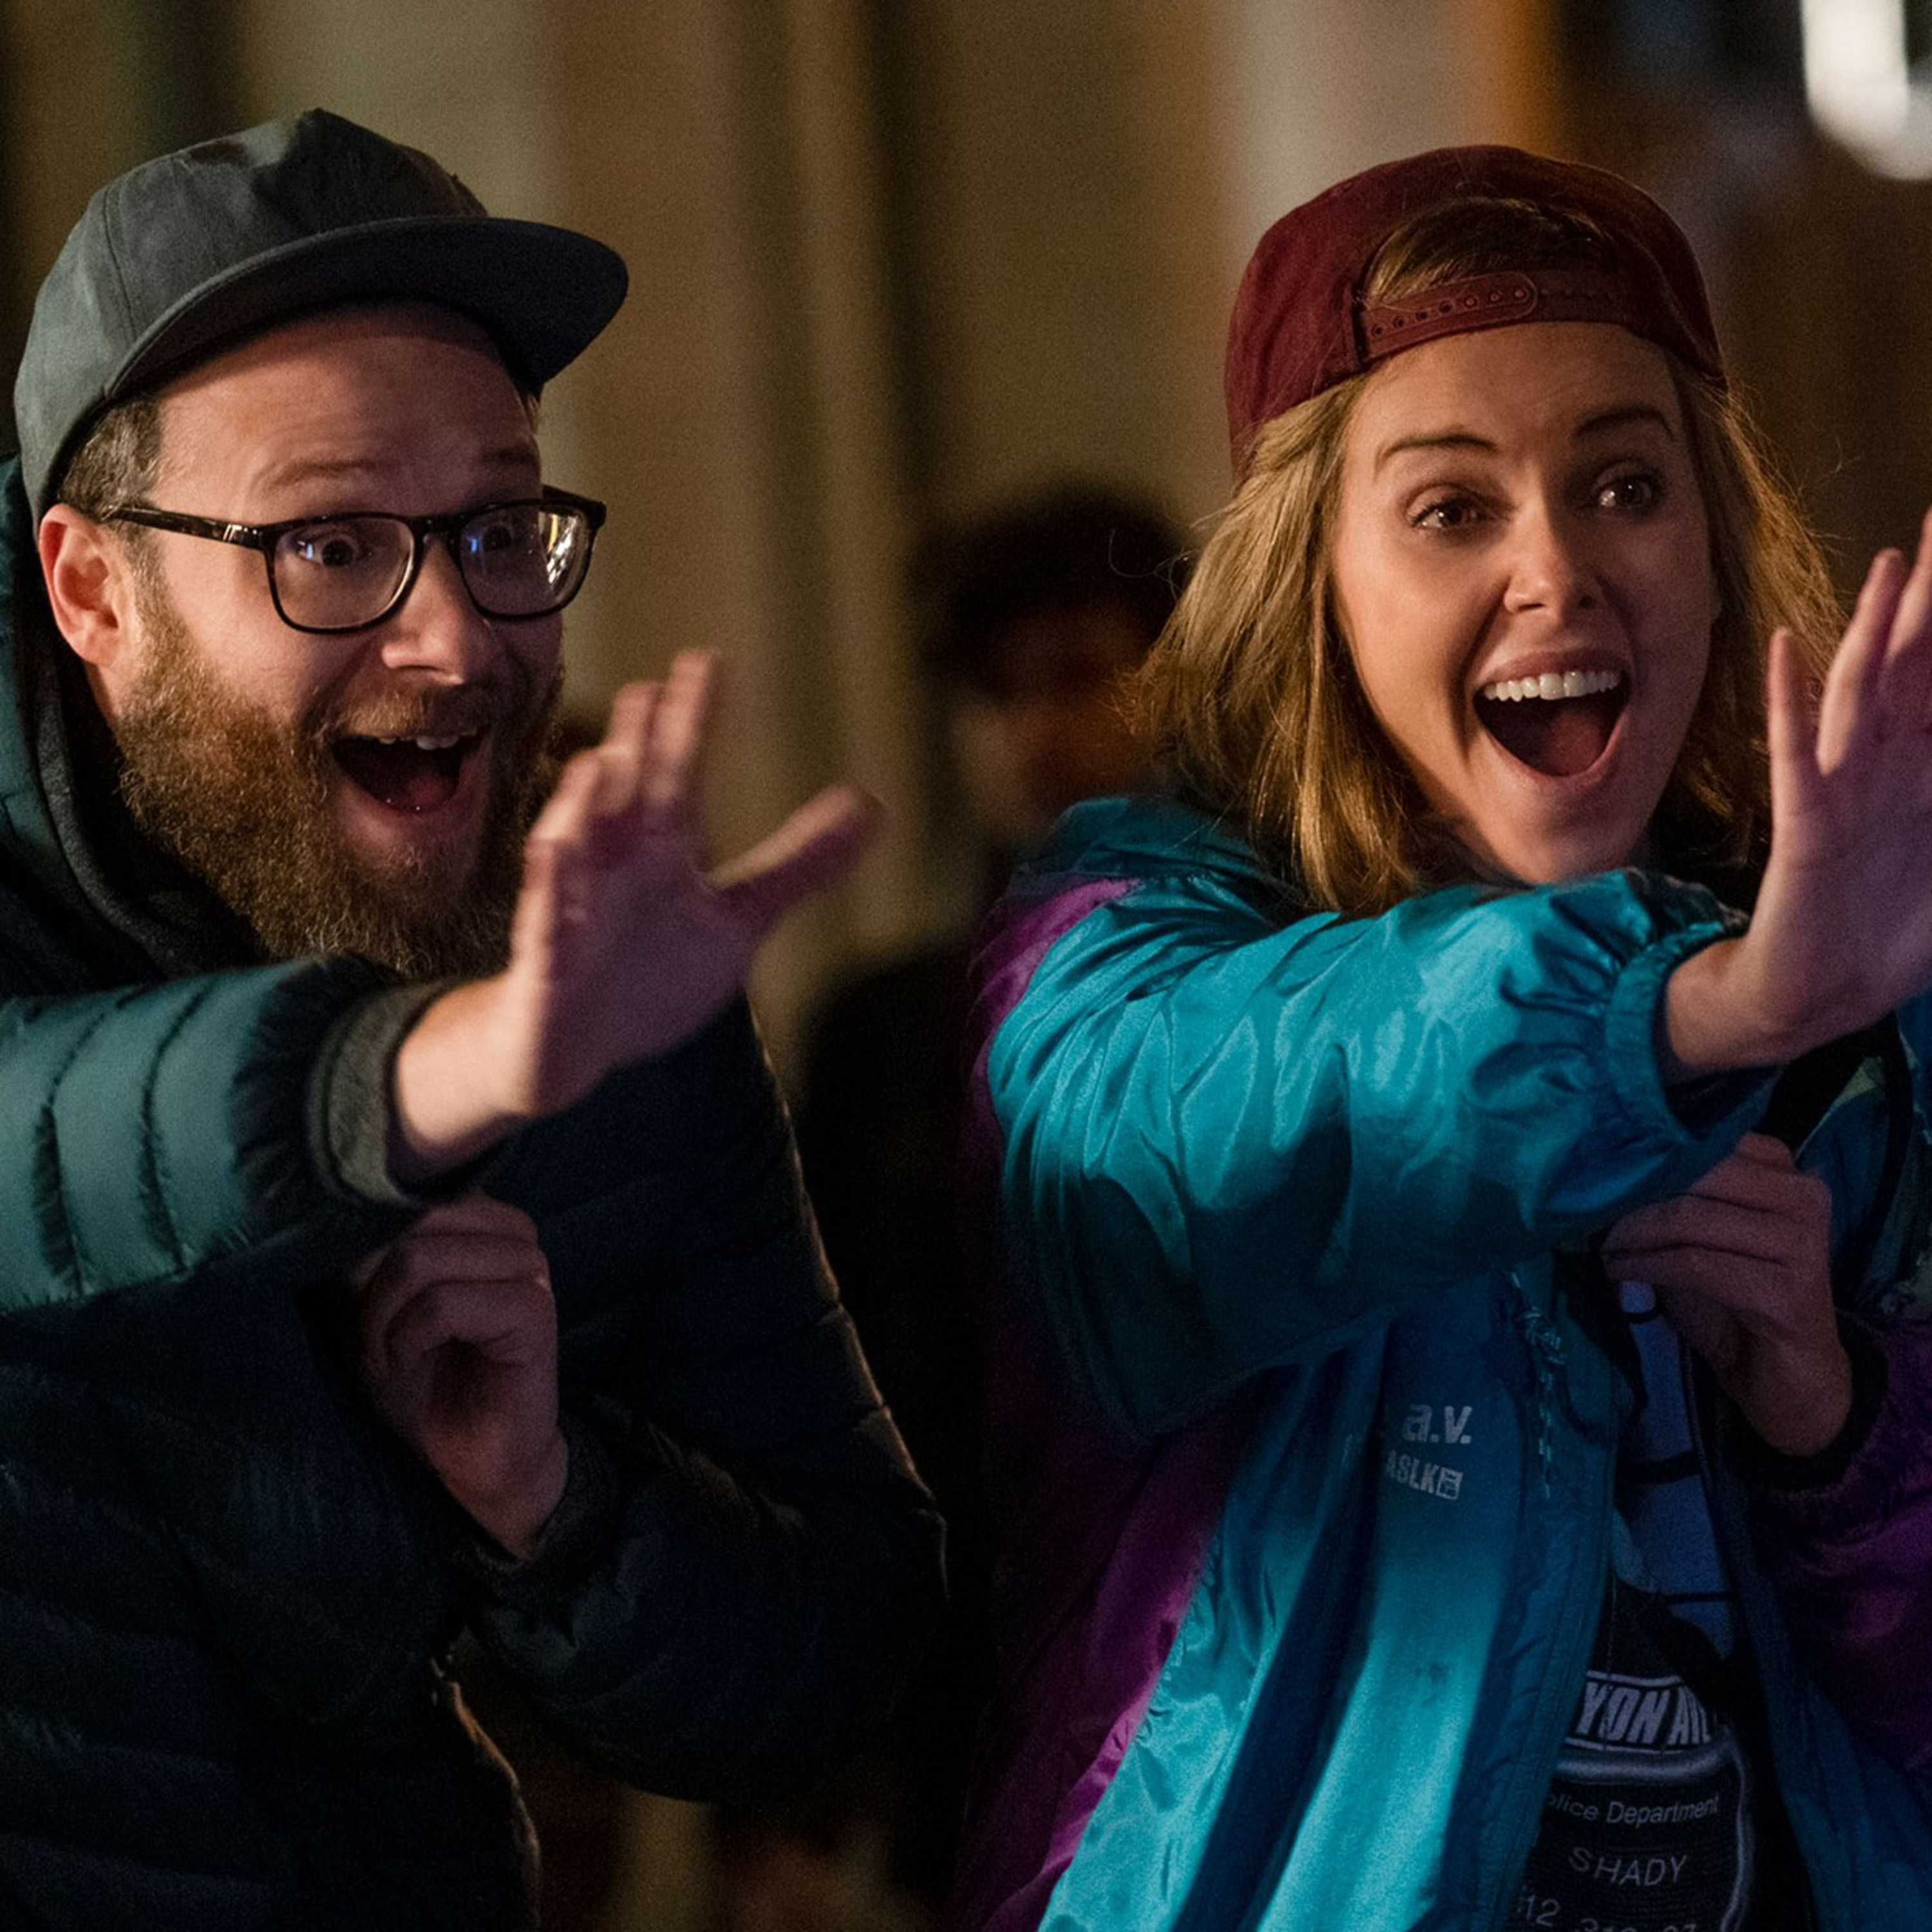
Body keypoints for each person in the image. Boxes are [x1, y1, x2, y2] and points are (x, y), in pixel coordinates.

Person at [951, 146, 1932, 1932]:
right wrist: (1697, 1014)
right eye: (1451, 508)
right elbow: (1182, 1136)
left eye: (1625, 484)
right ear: (1310, 585)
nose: (1557, 570)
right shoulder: (1128, 930)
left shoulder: (1872, 1000)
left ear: (1717, 550)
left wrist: (1833, 1418)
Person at [0, 109, 943, 1928]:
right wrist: (424, 1076)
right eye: (332, 546)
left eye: (500, 529)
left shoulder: (581, 953)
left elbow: (843, 1637)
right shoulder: (524, 1018)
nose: (453, 640)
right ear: (94, 590)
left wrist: (555, 1497)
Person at [777, 486, 1185, 1920]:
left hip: (1213, 1646)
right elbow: (826, 1392)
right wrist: (811, 1769)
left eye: (1077, 675)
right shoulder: (888, 1031)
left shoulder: (1280, 981)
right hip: (973, 1695)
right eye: (997, 694)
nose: (1034, 731)